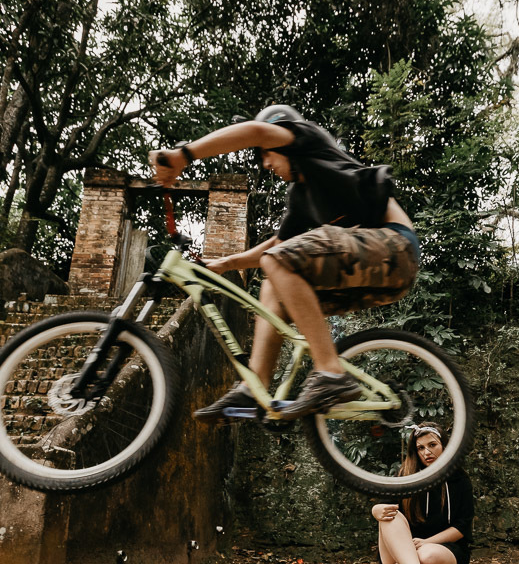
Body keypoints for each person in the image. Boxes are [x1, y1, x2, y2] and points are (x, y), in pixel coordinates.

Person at [150, 105, 419, 420]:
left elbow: (256, 132)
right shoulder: (300, 196)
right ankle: (255, 387)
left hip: (396, 246)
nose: (265, 164)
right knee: (273, 283)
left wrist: (183, 155)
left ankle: (331, 373)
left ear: (281, 137)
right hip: (379, 273)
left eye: (267, 155)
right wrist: (224, 264)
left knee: (276, 262)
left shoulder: (309, 138)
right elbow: (278, 244)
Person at [341, 424, 474, 564]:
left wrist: (427, 542)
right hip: (399, 552)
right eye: (421, 448)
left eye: (432, 445)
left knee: (427, 557)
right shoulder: (406, 476)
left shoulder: (459, 480)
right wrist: (376, 511)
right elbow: (384, 508)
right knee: (390, 514)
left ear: (444, 446)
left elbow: (461, 527)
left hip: (443, 553)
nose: (427, 452)